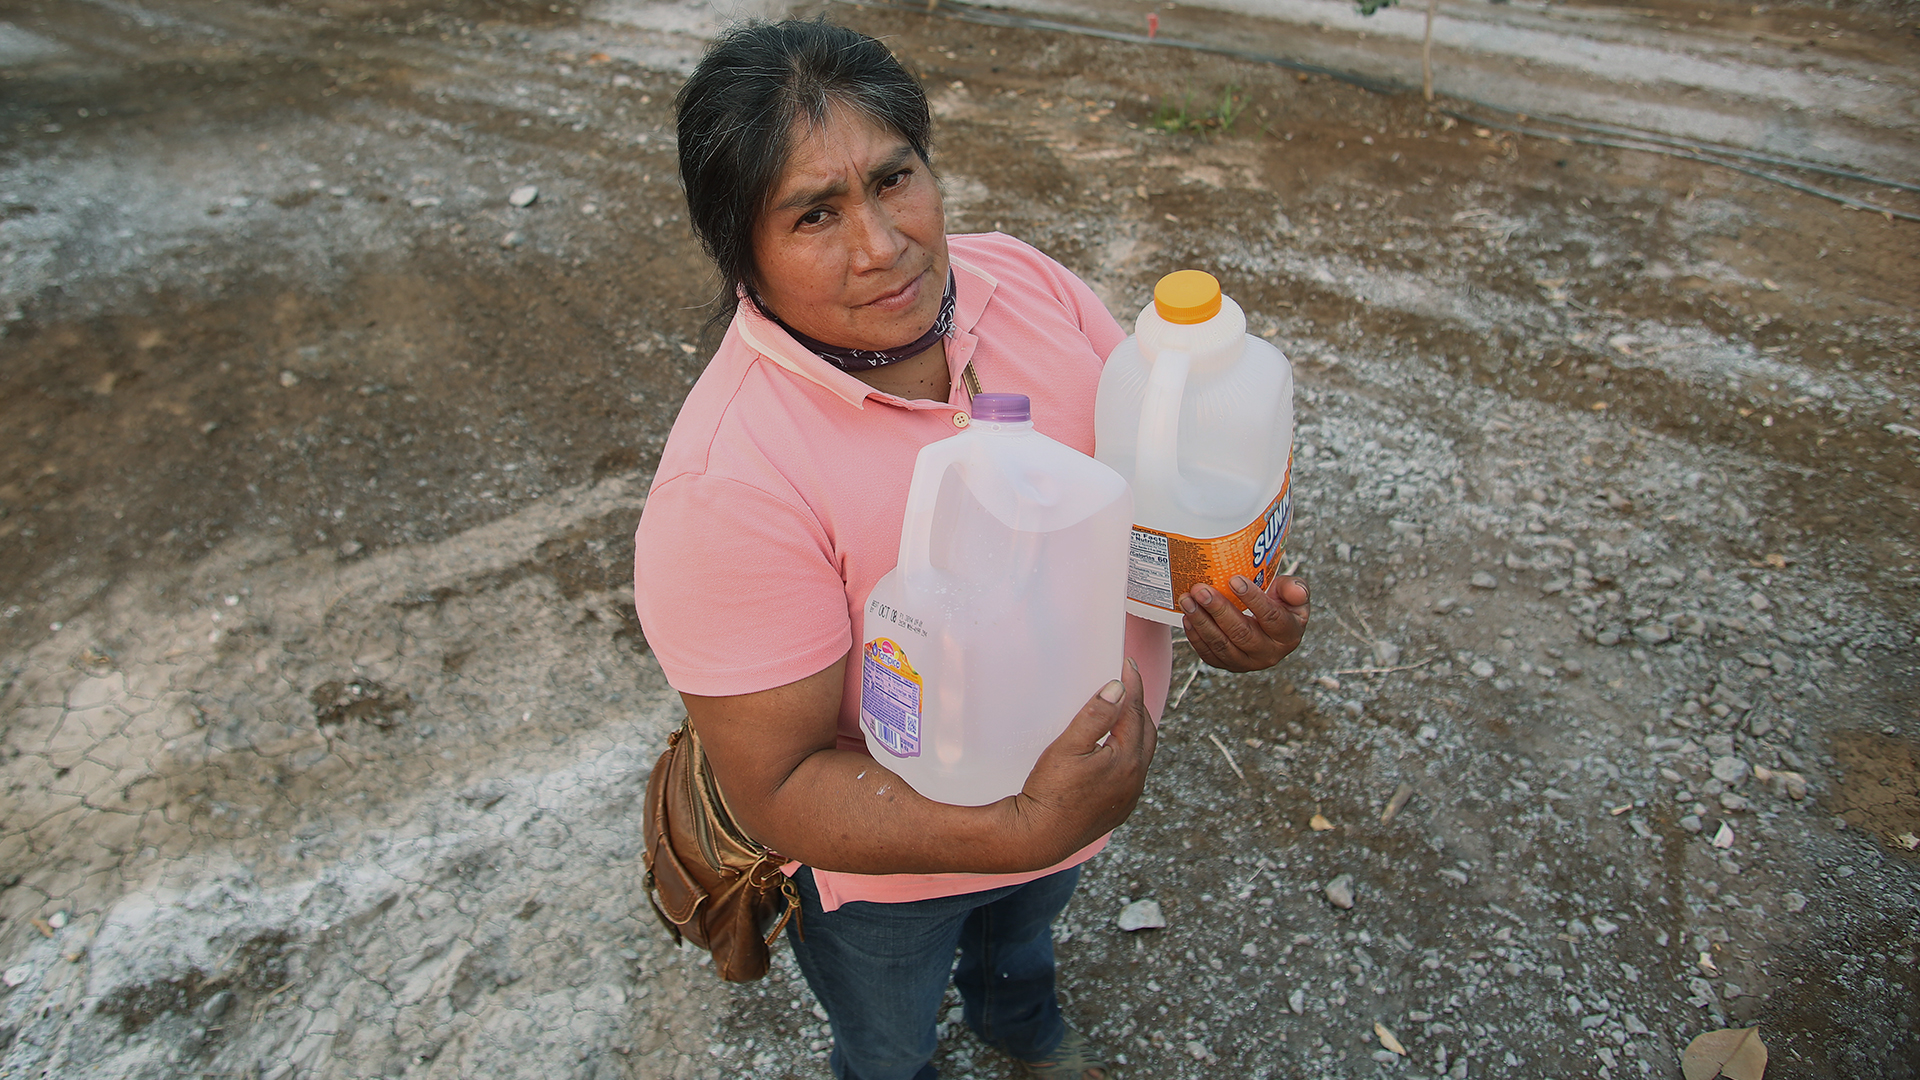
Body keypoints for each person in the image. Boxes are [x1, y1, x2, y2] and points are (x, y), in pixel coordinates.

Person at [632, 19, 1310, 1080]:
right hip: (893, 881)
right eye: (814, 213)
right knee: (890, 1032)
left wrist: (1224, 610)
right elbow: (776, 785)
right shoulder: (730, 488)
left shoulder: (1024, 286)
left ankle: (1021, 1024)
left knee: (1024, 937)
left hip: (1078, 808)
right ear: (741, 249)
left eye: (894, 179)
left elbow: (1148, 512)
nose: (882, 244)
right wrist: (1013, 828)